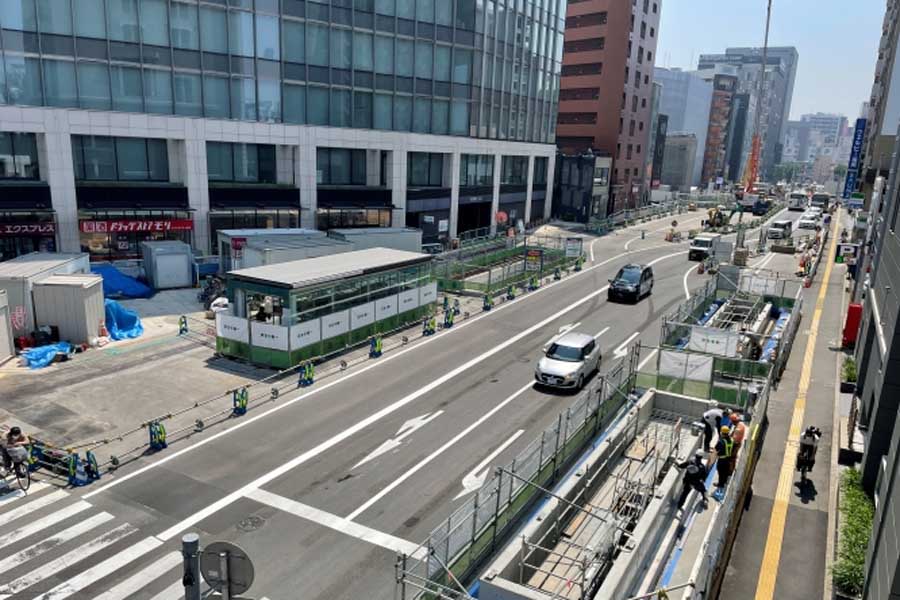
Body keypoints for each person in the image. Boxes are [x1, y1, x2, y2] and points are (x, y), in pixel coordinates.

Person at [713, 426, 735, 494]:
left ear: (722, 433)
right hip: (728, 459)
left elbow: (716, 449)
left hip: (722, 460)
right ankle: (724, 482)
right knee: (725, 472)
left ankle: (720, 484)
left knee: (721, 473)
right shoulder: (731, 440)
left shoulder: (721, 441)